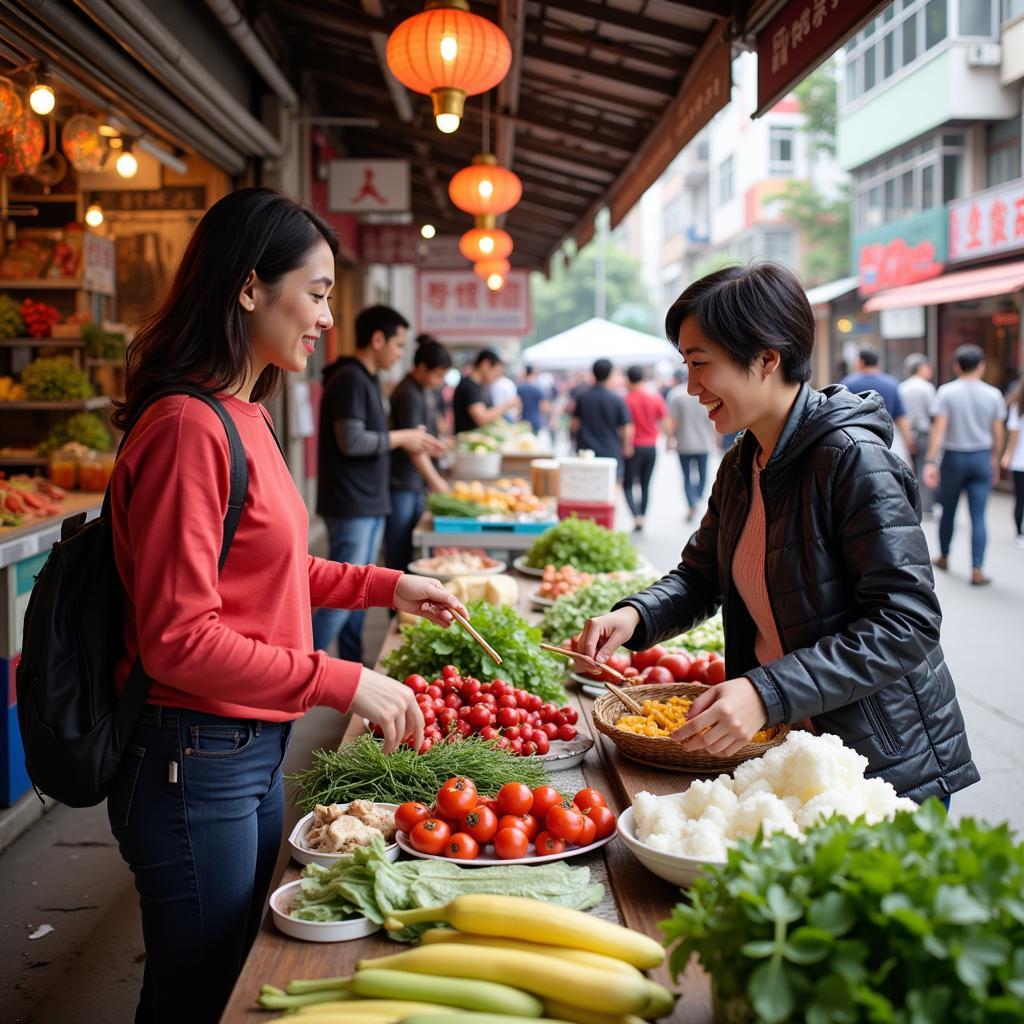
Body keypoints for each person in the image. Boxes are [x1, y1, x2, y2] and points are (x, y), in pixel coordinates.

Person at [105, 188, 466, 1024]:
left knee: (236, 975)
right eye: (317, 292)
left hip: (247, 747)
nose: (325, 320)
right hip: (190, 759)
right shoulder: (187, 429)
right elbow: (178, 641)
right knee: (197, 995)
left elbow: (274, 569)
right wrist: (341, 680)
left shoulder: (247, 418)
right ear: (247, 289)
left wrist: (387, 585)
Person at [575, 262, 977, 806]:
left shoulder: (854, 461)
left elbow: (906, 622)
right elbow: (701, 575)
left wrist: (767, 692)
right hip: (797, 751)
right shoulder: (744, 460)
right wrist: (635, 616)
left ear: (767, 359)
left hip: (880, 765)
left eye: (701, 365)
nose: (691, 387)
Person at [314, 305, 445, 659]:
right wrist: (401, 437)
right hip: (352, 502)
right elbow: (352, 440)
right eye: (398, 345)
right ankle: (299, 667)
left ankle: (353, 668)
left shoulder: (367, 378)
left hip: (368, 500)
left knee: (357, 594)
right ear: (377, 339)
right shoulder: (350, 379)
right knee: (339, 597)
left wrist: (403, 437)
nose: (401, 353)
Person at [923, 345, 1006, 585]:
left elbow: (939, 431)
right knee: (978, 516)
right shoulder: (993, 394)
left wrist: (930, 461)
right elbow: (998, 433)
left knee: (948, 511)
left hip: (953, 459)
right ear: (981, 365)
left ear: (957, 366)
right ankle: (977, 568)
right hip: (981, 458)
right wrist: (995, 459)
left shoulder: (946, 392)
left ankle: (945, 556)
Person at [386, 339, 452, 572]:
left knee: (407, 545)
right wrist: (437, 482)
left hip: (412, 482)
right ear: (422, 368)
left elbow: (420, 439)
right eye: (437, 375)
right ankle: (395, 607)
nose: (439, 381)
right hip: (402, 482)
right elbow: (413, 446)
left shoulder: (421, 389)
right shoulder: (409, 394)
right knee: (400, 547)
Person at [841, 345, 915, 463]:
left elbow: (841, 415)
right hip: (888, 440)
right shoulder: (892, 384)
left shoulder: (847, 383)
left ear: (861, 362)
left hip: (856, 440)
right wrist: (909, 443)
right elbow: (901, 418)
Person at [666, 368, 718, 521]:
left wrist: (669, 439)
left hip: (684, 444)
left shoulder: (676, 395)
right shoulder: (706, 392)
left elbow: (672, 421)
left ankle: (691, 502)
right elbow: (713, 418)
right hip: (704, 443)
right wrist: (716, 438)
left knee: (686, 476)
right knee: (703, 475)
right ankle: (697, 498)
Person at [623, 365, 669, 531]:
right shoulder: (654, 397)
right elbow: (665, 419)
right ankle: (642, 516)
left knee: (627, 484)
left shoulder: (627, 399)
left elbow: (626, 426)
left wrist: (626, 445)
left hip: (633, 447)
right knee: (645, 484)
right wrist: (669, 439)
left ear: (628, 379)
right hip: (651, 447)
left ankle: (635, 516)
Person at [899, 353, 938, 511]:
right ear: (921, 368)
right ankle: (925, 506)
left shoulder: (902, 387)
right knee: (925, 469)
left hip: (906, 434)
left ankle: (909, 505)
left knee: (907, 469)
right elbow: (934, 413)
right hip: (923, 433)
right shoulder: (927, 388)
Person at [452, 349, 520, 433]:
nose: (496, 378)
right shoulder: (469, 387)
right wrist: (507, 405)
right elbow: (482, 418)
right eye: (496, 374)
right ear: (485, 364)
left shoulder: (479, 387)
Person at [1002, 376, 1024, 548]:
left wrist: (1008, 454)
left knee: (1020, 499)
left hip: (1020, 460)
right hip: (1019, 460)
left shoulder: (1017, 406)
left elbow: (1014, 436)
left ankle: (1019, 533)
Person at [517, 364, 549, 434]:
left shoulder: (520, 388)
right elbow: (545, 407)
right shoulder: (539, 388)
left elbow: (517, 406)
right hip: (536, 421)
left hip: (523, 421)